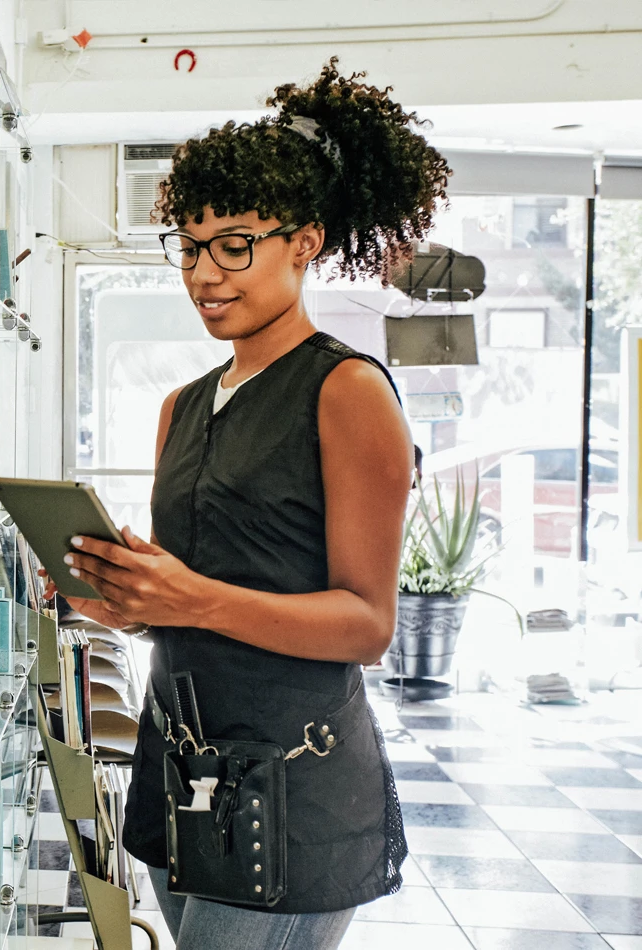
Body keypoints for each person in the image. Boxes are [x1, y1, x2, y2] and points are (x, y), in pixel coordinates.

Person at [48, 61, 448, 949]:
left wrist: (190, 598)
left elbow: (366, 624)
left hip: (292, 790)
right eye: (189, 247)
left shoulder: (346, 391)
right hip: (181, 773)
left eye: (235, 244)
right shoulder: (181, 406)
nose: (204, 273)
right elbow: (191, 604)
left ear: (303, 243)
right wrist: (120, 600)